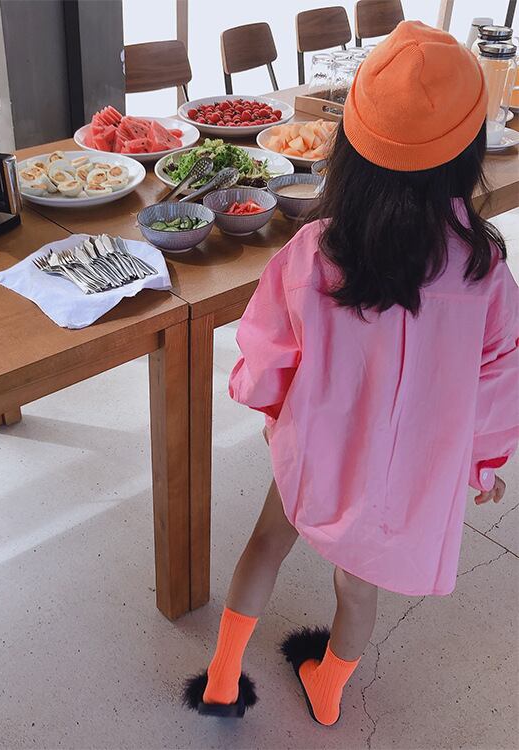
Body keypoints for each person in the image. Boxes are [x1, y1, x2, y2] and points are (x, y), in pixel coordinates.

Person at [183, 21, 518, 726]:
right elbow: (500, 381)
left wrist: (272, 407)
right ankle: (328, 694)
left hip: (316, 446)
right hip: (405, 474)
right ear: (468, 155)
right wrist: (484, 465)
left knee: (266, 544)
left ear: (353, 149)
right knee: (358, 590)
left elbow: (267, 349)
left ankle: (221, 679)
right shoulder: (485, 273)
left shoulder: (317, 248)